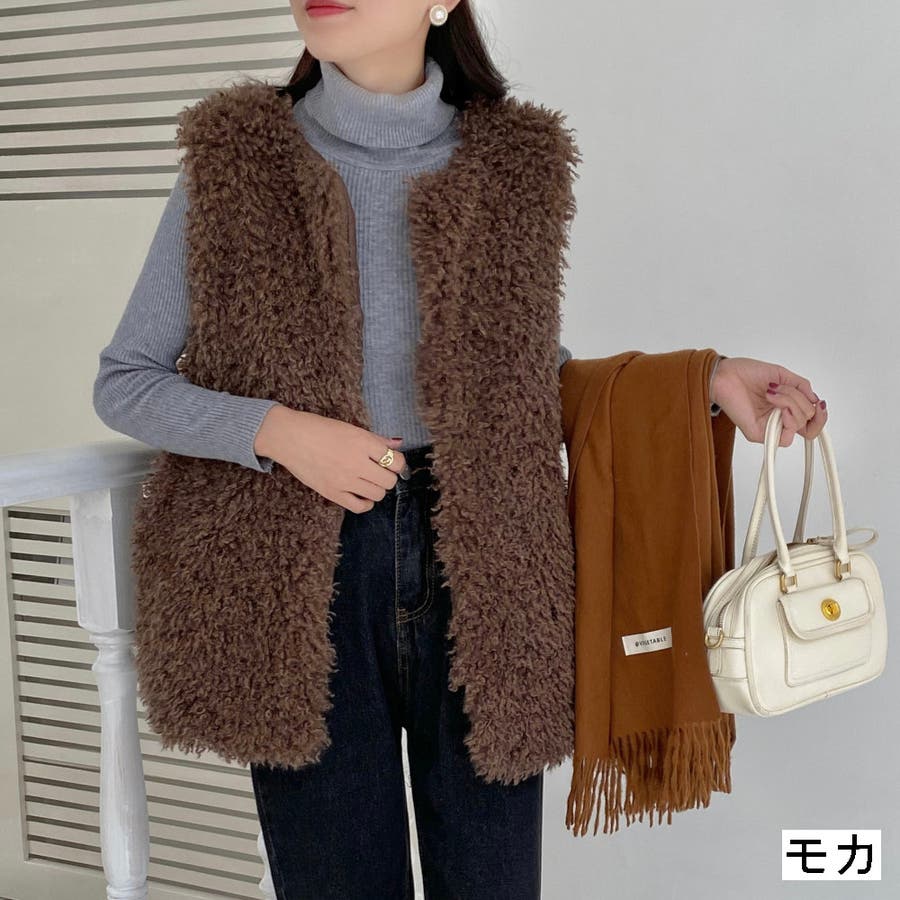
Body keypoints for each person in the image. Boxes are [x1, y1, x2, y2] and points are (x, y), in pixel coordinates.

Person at [93, 2, 828, 897]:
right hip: (297, 584)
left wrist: (703, 380)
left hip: (491, 570)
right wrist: (282, 433)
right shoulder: (235, 160)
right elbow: (127, 380)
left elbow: (522, 382)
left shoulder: (512, 165)